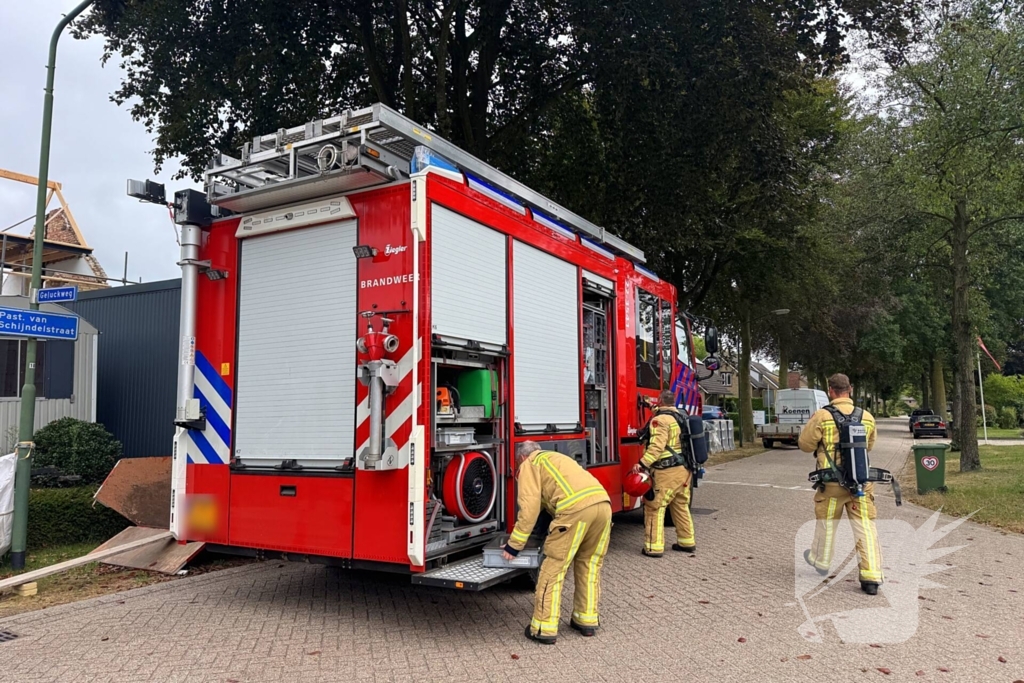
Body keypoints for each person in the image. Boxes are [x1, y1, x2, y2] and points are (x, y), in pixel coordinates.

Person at [502, 440, 612, 644]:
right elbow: (545, 508)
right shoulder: (557, 458)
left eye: (517, 463)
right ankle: (586, 621)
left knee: (553, 569)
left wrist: (514, 545)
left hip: (574, 511)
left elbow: (529, 508)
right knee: (589, 565)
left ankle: (544, 628)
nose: (518, 467)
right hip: (603, 506)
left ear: (522, 457)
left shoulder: (530, 465)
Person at [798, 373, 883, 595]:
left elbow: (805, 445)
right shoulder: (867, 417)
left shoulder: (822, 416)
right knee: (865, 527)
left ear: (831, 390)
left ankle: (821, 562)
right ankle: (871, 577)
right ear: (850, 389)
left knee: (827, 523)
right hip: (861, 483)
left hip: (831, 483)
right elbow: (869, 446)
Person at [633, 389, 696, 557]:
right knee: (680, 505)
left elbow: (657, 447)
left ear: (660, 400)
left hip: (667, 471)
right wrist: (648, 405)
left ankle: (653, 547)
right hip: (685, 471)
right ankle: (687, 541)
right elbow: (661, 410)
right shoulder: (681, 417)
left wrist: (642, 464)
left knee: (655, 506)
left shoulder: (659, 421)